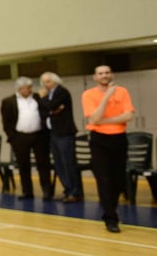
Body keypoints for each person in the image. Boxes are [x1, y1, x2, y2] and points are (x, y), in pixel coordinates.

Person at [81, 65, 135, 233]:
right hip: (99, 141)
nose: (104, 76)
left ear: (111, 74)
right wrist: (107, 97)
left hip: (119, 138)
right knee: (104, 179)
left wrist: (103, 120)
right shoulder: (88, 94)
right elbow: (94, 119)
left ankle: (109, 211)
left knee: (118, 180)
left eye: (107, 73)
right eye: (100, 73)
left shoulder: (123, 91)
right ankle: (111, 218)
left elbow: (129, 116)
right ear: (95, 77)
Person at [0, 76, 54, 200]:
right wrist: (12, 137)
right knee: (23, 165)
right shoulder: (8, 101)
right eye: (26, 88)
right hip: (20, 137)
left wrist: (43, 97)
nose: (29, 90)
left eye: (30, 87)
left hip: (39, 135)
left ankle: (47, 191)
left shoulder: (37, 97)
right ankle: (27, 191)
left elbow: (46, 110)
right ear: (19, 89)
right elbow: (6, 122)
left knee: (43, 164)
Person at [40, 71, 83, 203]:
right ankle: (67, 190)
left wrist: (44, 101)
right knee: (59, 164)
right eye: (43, 82)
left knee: (68, 162)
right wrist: (52, 110)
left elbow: (49, 106)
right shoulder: (50, 95)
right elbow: (43, 110)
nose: (45, 84)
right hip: (53, 133)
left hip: (64, 133)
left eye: (47, 81)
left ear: (55, 81)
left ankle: (75, 192)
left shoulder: (61, 91)